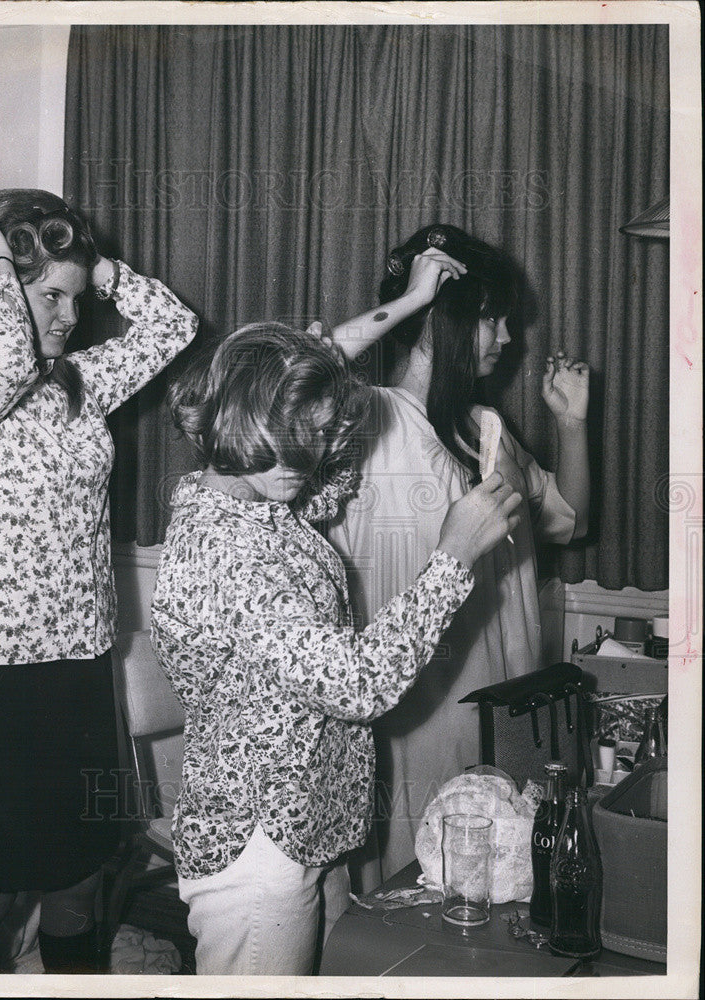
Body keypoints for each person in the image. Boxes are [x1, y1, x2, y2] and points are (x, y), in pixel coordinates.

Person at [149, 322, 522, 975]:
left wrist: (325, 366)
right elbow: (353, 683)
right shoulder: (222, 541)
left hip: (308, 820)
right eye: (303, 433)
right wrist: (453, 556)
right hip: (258, 842)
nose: (313, 454)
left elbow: (331, 470)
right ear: (247, 416)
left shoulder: (256, 500)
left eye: (319, 433)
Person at [0, 189, 198, 974]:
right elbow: (5, 359)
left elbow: (174, 326)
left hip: (79, 665)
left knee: (78, 877)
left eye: (75, 301)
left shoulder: (81, 386)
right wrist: (6, 267)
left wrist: (95, 268)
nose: (69, 316)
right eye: (51, 296)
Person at [327, 222, 590, 887]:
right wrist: (412, 300)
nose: (508, 338)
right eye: (492, 320)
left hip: (506, 705)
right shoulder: (365, 421)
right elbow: (281, 378)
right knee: (417, 887)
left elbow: (569, 519)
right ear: (444, 322)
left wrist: (572, 425)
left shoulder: (487, 429)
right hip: (418, 715)